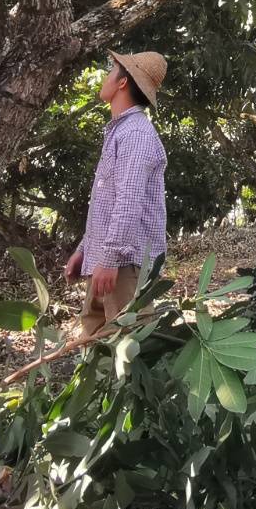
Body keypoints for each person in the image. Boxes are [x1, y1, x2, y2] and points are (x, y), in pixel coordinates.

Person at [64, 50, 169, 337]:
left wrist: (109, 259)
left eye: (111, 72)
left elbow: (128, 202)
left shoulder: (136, 134)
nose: (105, 78)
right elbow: (107, 202)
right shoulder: (120, 131)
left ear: (123, 83)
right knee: (94, 350)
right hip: (108, 261)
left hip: (124, 266)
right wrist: (84, 250)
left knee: (128, 353)